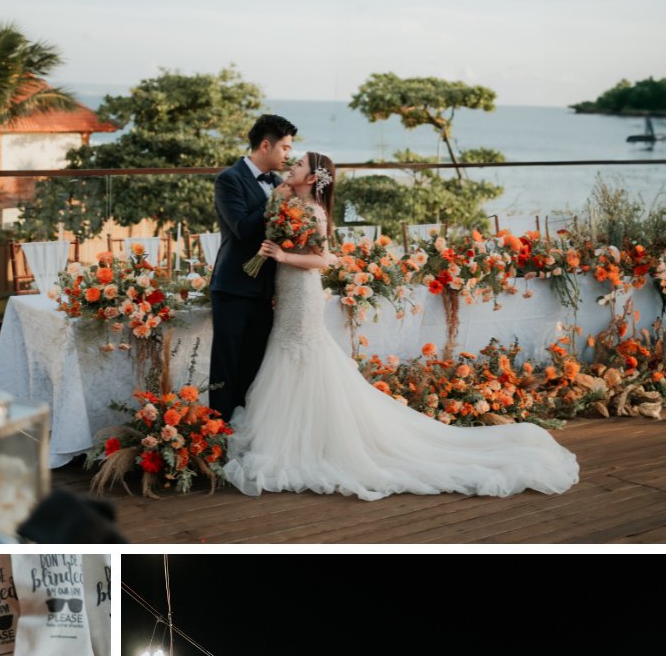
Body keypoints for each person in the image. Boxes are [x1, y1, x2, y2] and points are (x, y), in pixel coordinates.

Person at [222, 152, 580, 502]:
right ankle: (299, 436)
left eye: (298, 164)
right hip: (285, 293)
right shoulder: (291, 204)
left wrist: (283, 256)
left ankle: (305, 443)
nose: (291, 165)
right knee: (290, 357)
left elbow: (324, 259)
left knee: (301, 356)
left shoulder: (313, 211)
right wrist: (279, 205)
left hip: (302, 295)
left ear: (313, 178)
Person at [210, 113, 298, 421]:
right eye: (285, 148)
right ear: (265, 145)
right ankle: (216, 436)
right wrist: (276, 197)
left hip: (265, 290)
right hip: (233, 287)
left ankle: (245, 432)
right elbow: (243, 229)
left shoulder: (276, 181)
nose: (289, 155)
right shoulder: (229, 179)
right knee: (226, 368)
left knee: (254, 368)